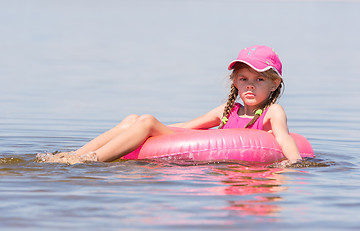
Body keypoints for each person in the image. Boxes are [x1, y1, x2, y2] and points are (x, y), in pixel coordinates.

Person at [38, 45, 302, 166]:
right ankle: (76, 155)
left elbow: (285, 139)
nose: (250, 85)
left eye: (259, 79)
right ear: (234, 81)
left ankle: (91, 161)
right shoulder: (226, 110)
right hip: (198, 143)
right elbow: (186, 127)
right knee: (135, 119)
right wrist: (145, 130)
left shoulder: (272, 112)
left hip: (233, 153)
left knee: (149, 120)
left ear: (275, 83)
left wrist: (295, 163)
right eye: (243, 79)